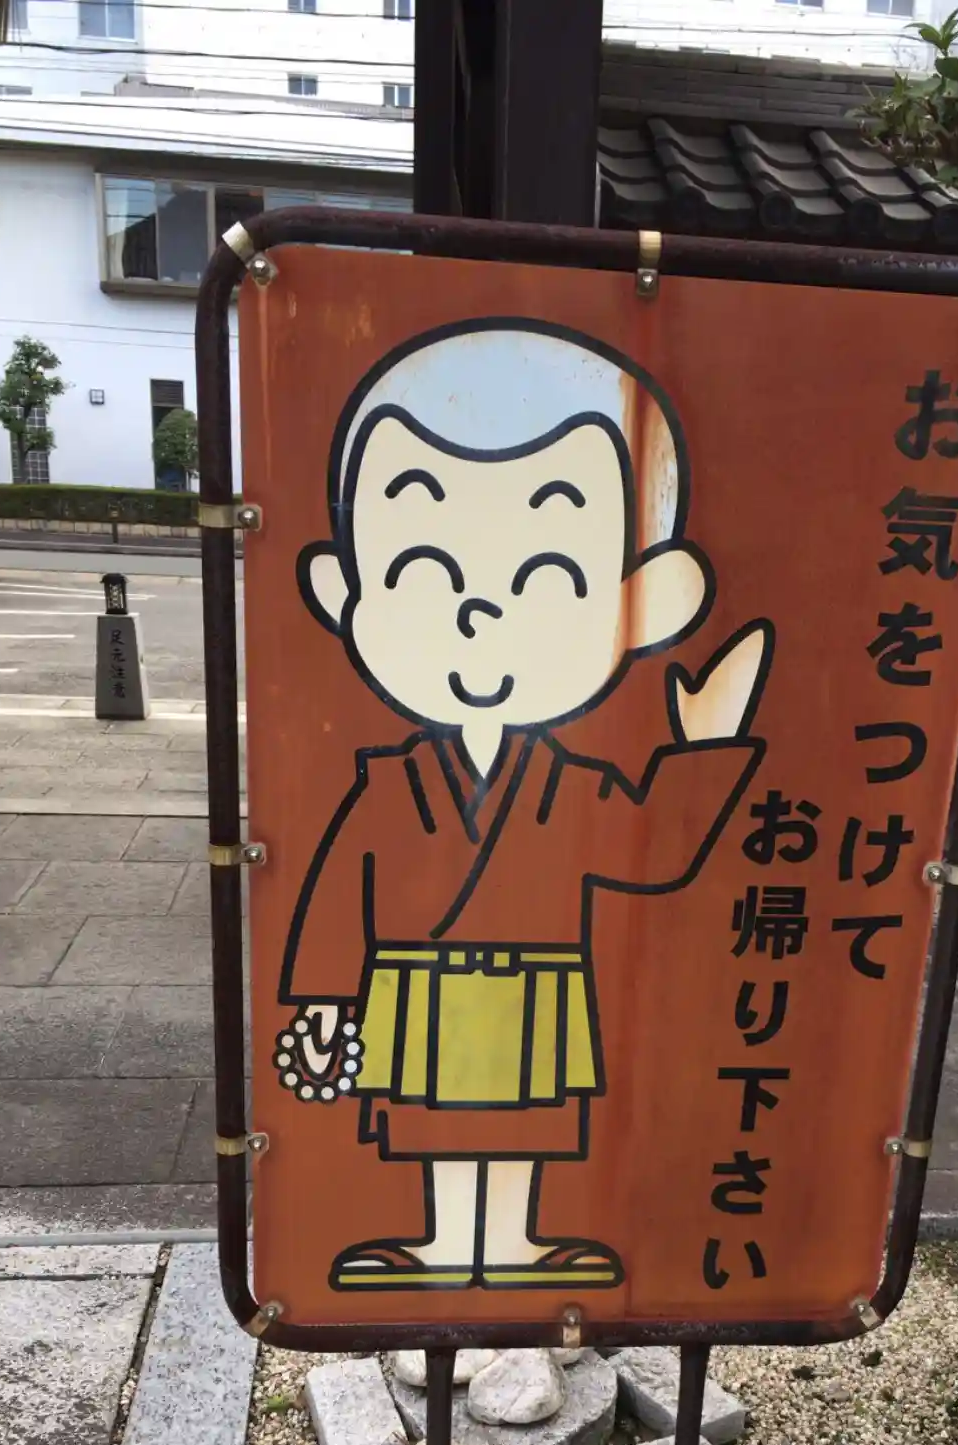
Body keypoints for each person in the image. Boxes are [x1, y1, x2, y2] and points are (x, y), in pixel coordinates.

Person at [276, 318, 773, 1292]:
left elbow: (650, 848)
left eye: (548, 581)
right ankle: (439, 1247)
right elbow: (339, 893)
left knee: (519, 1124)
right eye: (425, 575)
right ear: (346, 589)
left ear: (643, 600)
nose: (480, 615)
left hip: (533, 979)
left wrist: (705, 749)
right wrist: (327, 997)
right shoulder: (389, 784)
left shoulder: (569, 787)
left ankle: (510, 1247)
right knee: (431, 1122)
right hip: (420, 980)